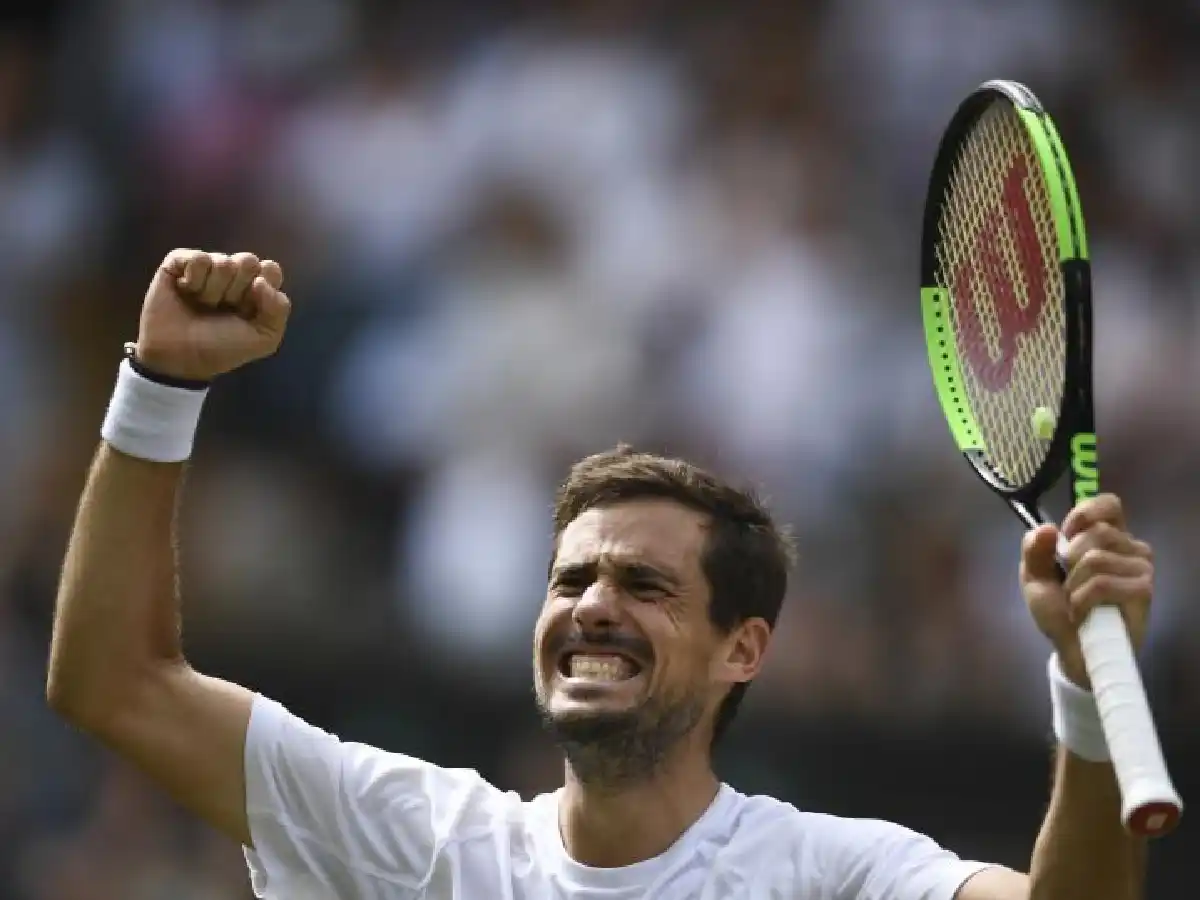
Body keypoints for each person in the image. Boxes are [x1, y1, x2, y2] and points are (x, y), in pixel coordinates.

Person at [47, 249, 1159, 899]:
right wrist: (163, 386)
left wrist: (1080, 683)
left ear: (745, 649)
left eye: (646, 585)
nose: (592, 607)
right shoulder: (416, 839)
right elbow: (112, 682)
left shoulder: (829, 871)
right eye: (571, 578)